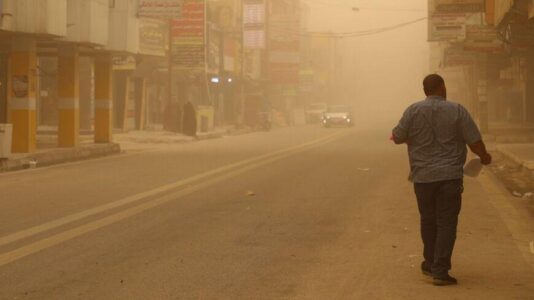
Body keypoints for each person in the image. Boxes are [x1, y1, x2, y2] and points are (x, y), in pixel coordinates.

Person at [392, 74, 492, 286]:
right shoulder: (457, 110)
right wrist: (484, 157)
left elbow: (398, 136)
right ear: (442, 87)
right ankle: (440, 270)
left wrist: (409, 137)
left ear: (425, 90)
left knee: (428, 220)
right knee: (446, 223)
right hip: (449, 177)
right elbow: (474, 141)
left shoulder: (413, 110)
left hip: (423, 177)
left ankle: (430, 263)